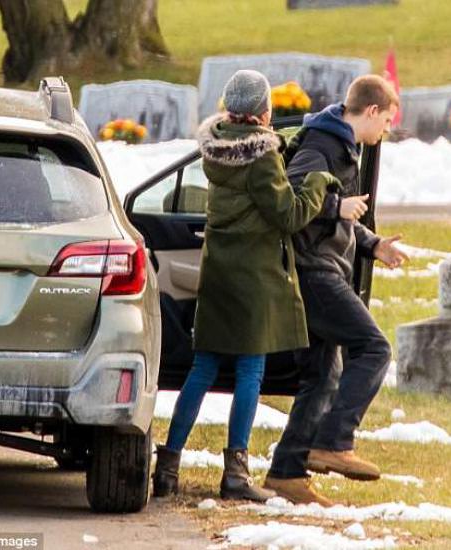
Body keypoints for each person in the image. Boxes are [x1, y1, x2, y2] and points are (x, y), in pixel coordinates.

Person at [152, 70, 342, 502]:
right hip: (253, 279)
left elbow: (256, 181)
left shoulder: (216, 149)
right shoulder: (262, 158)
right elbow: (289, 214)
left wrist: (283, 149)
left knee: (201, 371)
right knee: (249, 373)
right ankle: (235, 473)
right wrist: (318, 181)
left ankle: (167, 466)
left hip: (218, 273)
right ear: (263, 111)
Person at [264, 75, 409, 506]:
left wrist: (372, 244)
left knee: (322, 375)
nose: (384, 131)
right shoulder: (323, 145)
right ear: (370, 111)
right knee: (374, 348)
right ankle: (333, 442)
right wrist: (336, 207)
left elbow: (342, 217)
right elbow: (289, 198)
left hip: (325, 267)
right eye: (385, 121)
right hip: (314, 271)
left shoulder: (342, 144)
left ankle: (286, 474)